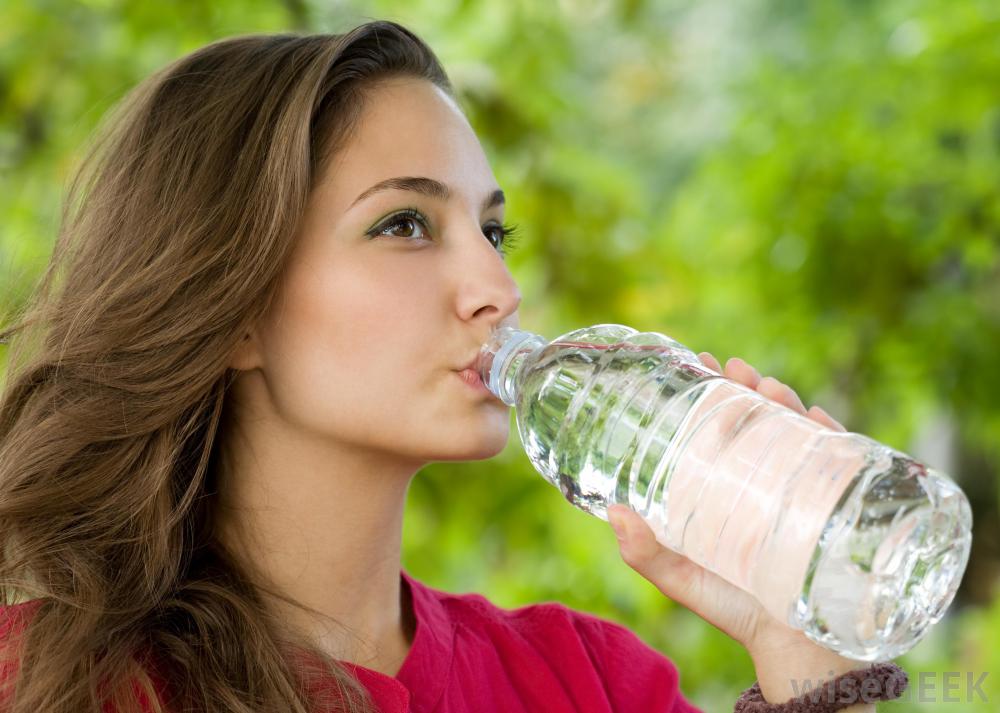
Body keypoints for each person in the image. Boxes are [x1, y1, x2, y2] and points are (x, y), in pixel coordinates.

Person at [0, 20, 906, 713]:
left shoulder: (587, 680)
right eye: (404, 224)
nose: (497, 286)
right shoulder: (47, 679)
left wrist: (804, 656)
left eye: (492, 230)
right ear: (237, 307)